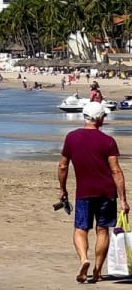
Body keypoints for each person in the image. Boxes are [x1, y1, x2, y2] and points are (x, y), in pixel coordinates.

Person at [59, 101, 130, 284]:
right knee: (102, 230)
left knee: (80, 229)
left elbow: (63, 166)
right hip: (106, 192)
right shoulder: (107, 141)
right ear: (99, 118)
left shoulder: (72, 137)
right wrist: (123, 199)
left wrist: (63, 189)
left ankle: (84, 259)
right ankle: (97, 271)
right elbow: (116, 171)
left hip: (84, 192)